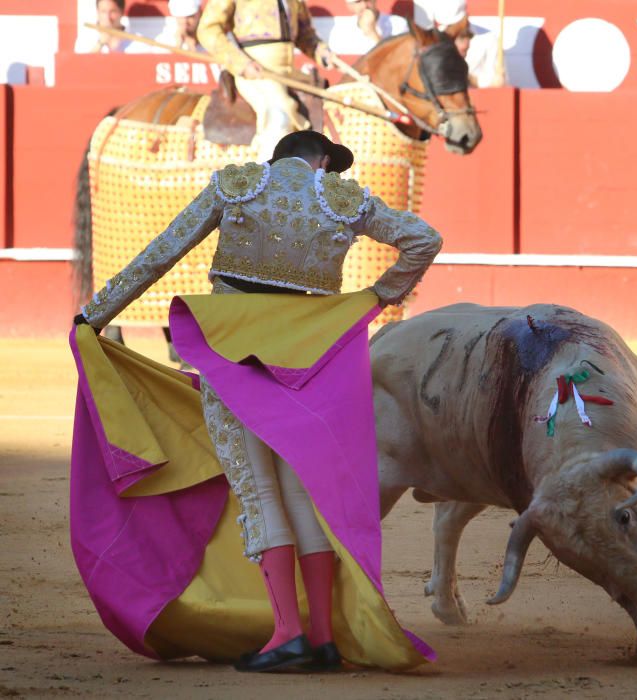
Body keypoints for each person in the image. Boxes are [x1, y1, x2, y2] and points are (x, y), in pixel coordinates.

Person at [74, 130, 442, 673]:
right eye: (329, 165)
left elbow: (160, 255)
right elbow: (424, 238)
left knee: (258, 488)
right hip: (306, 365)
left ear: (278, 158)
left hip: (235, 357)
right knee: (299, 491)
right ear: (318, 162)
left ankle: (287, 633)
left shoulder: (237, 186)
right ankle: (320, 637)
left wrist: (97, 314)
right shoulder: (343, 199)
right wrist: (375, 297)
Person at [197, 1, 336, 160]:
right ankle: (269, 178)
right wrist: (241, 63)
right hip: (256, 72)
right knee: (279, 117)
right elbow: (208, 30)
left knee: (328, 100)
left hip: (288, 73)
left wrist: (319, 49)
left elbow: (304, 33)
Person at [414, 0, 506, 88]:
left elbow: (496, 81)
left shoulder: (488, 39)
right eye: (447, 26)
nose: (449, 30)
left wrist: (468, 78)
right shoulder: (435, 40)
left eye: (452, 25)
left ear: (464, 18)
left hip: (477, 100)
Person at [327, 0, 406, 55]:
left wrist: (372, 33)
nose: (364, 6)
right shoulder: (341, 31)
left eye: (367, 0)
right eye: (358, 1)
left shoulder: (398, 24)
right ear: (349, 6)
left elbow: (398, 62)